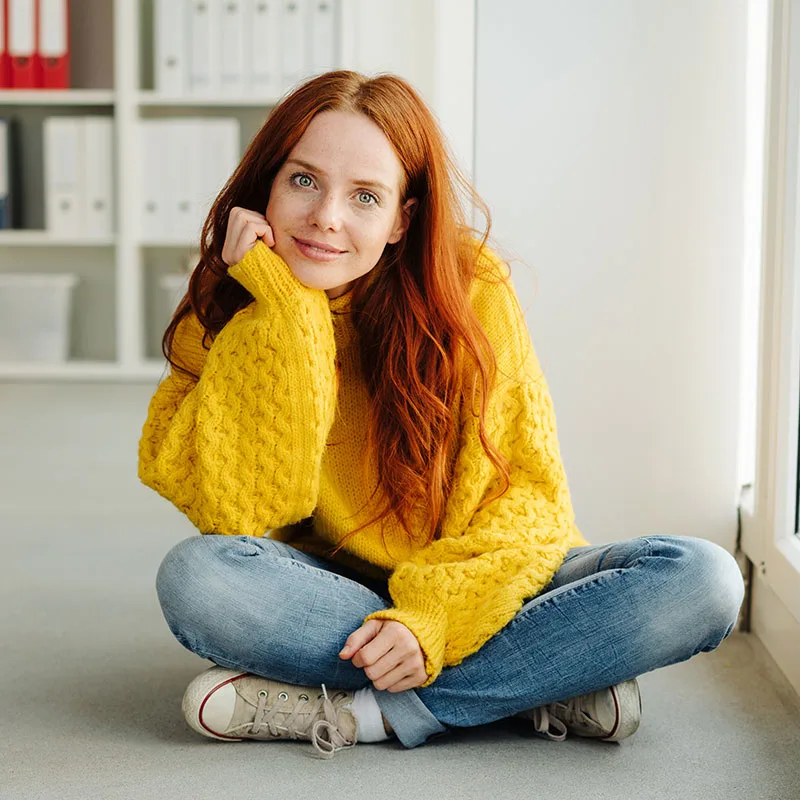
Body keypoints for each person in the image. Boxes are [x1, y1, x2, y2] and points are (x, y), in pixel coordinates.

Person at [139, 70, 745, 760]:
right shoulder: (232, 303)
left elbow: (529, 497)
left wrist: (434, 619)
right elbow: (238, 511)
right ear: (266, 186)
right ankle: (542, 680)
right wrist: (285, 313)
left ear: (402, 218)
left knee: (703, 579)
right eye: (303, 181)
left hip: (489, 577)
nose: (326, 217)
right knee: (197, 579)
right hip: (337, 587)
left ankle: (370, 714)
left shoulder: (471, 288)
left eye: (364, 196)